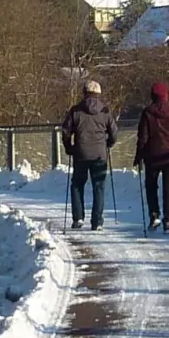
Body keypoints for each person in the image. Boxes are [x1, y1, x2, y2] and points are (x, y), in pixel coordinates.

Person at [60, 79, 118, 230]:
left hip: (81, 153)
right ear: (98, 94)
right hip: (99, 154)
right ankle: (97, 221)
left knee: (78, 184)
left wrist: (69, 147)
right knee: (98, 186)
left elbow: (66, 132)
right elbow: (114, 132)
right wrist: (108, 144)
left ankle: (78, 218)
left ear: (84, 93)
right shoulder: (105, 111)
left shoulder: (76, 111)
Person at [135, 81, 169, 233]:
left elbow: (143, 137)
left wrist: (139, 155)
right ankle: (168, 221)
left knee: (151, 186)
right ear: (166, 95)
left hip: (152, 156)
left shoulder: (147, 112)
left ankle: (154, 215)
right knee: (168, 189)